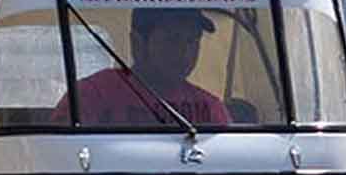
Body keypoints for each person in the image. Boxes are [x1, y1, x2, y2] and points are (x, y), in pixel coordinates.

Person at [52, 8, 230, 125]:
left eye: (193, 41)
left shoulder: (210, 107)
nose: (185, 52)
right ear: (137, 43)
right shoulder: (90, 96)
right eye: (172, 40)